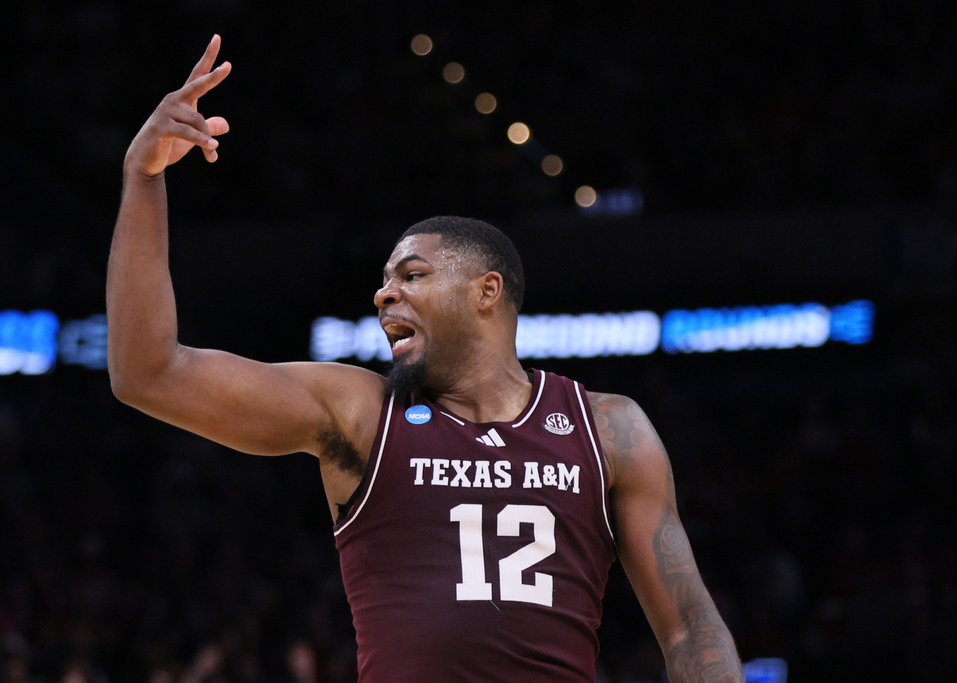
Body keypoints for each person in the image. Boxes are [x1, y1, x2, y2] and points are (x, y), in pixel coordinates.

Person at [107, 35, 744, 682]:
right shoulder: (359, 411)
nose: (385, 292)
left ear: (487, 292)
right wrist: (144, 175)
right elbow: (148, 373)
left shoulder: (610, 429)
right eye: (385, 280)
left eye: (411, 275)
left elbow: (690, 626)